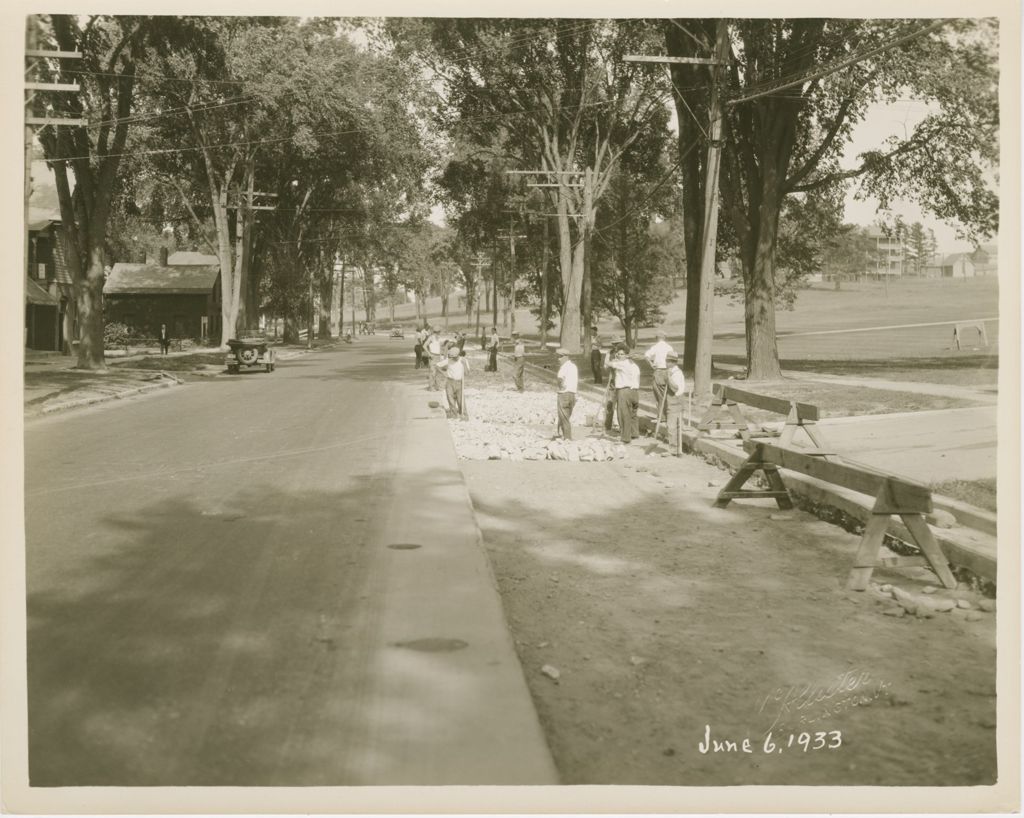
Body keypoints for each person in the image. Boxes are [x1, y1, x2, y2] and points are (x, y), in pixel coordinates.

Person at [605, 345, 640, 443]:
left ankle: (625, 438)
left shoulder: (623, 364)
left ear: (626, 355)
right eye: (618, 354)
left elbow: (607, 363)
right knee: (633, 414)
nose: (619, 356)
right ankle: (634, 433)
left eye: (622, 354)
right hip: (635, 391)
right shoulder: (634, 365)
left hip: (624, 391)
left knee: (623, 414)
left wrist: (608, 354)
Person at [644, 330, 676, 422]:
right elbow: (673, 359)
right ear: (664, 338)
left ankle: (662, 416)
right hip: (668, 371)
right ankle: (666, 415)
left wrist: (651, 364)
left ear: (657, 338)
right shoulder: (669, 347)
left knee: (659, 394)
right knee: (666, 394)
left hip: (659, 371)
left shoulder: (655, 347)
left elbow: (646, 355)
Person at [664, 351, 687, 453]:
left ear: (672, 362)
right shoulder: (673, 371)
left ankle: (673, 448)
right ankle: (677, 448)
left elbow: (674, 388)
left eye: (667, 361)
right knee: (676, 425)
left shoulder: (676, 374)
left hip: (675, 401)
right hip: (676, 401)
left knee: (672, 426)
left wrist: (668, 377)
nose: (665, 363)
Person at [438, 347, 469, 418]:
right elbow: (437, 366)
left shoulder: (463, 360)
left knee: (460, 399)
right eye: (452, 357)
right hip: (449, 381)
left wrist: (464, 364)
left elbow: (467, 373)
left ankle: (464, 414)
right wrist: (443, 373)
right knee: (450, 398)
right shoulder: (449, 360)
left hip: (459, 382)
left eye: (454, 357)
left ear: (458, 355)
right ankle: (453, 414)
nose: (453, 358)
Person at [555, 347, 578, 441]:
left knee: (563, 417)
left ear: (565, 357)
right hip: (572, 394)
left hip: (564, 394)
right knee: (567, 416)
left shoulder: (564, 367)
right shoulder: (573, 366)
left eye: (559, 357)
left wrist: (560, 386)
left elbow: (560, 379)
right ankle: (562, 434)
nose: (558, 359)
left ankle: (567, 438)